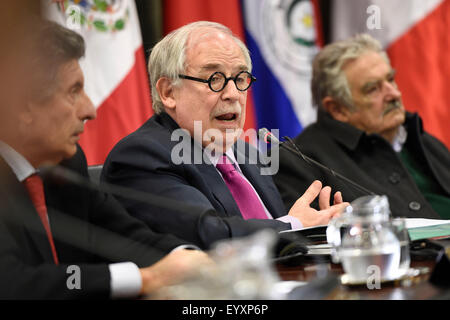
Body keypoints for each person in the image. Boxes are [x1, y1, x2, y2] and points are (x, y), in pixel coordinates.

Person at [0, 19, 211, 299]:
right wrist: (143, 278)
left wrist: (188, 260)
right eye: (74, 91)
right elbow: (13, 283)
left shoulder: (64, 165)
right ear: (23, 106)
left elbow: (124, 236)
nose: (90, 110)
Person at [101, 21, 348, 250]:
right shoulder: (142, 156)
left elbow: (277, 236)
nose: (233, 94)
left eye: (240, 78)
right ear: (168, 92)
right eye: (214, 79)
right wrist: (294, 226)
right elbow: (209, 235)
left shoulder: (247, 153)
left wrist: (319, 230)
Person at [273, 34, 450, 219]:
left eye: (390, 80)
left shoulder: (423, 140)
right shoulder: (300, 161)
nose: (393, 94)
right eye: (373, 89)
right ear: (338, 109)